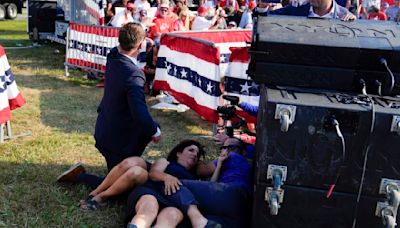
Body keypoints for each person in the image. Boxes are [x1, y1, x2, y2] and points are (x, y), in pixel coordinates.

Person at [57, 23, 161, 189]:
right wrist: (154, 131)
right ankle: (81, 176)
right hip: (118, 142)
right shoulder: (134, 75)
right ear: (141, 45)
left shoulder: (113, 56)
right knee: (119, 187)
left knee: (124, 176)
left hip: (106, 130)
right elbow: (140, 114)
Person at [125, 140, 222, 228]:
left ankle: (200, 222)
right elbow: (153, 174)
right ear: (178, 153)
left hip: (175, 204)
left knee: (172, 215)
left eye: (197, 154)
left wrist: (220, 164)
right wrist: (167, 177)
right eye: (191, 150)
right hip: (153, 192)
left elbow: (210, 186)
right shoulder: (167, 163)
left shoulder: (194, 176)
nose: (195, 154)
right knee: (149, 207)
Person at [262, 0, 357, 20]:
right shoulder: (296, 10)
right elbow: (263, 18)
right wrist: (261, 8)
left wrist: (354, 23)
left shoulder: (345, 16)